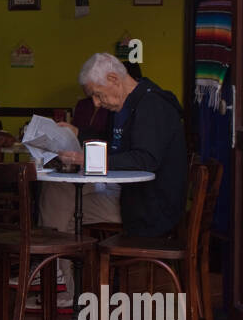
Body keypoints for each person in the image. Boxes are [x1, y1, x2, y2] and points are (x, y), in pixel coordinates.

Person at [57, 53, 187, 237]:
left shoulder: (153, 105)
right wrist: (77, 133)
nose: (96, 103)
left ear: (113, 79)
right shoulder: (123, 106)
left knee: (67, 210)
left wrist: (88, 160)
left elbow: (145, 159)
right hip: (127, 193)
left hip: (149, 206)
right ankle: (56, 263)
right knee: (59, 192)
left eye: (97, 94)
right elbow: (113, 144)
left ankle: (59, 263)